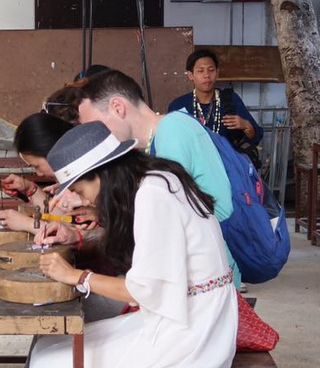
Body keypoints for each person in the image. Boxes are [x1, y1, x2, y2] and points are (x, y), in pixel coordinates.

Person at [22, 121, 238, 368]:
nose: (85, 199)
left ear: (103, 175)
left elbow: (146, 290)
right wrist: (81, 228)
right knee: (49, 352)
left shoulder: (154, 195)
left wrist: (76, 276)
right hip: (190, 313)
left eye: (85, 190)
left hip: (192, 330)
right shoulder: (155, 178)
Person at [70, 68, 241, 287]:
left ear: (118, 107)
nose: (94, 137)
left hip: (206, 279)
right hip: (190, 274)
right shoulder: (153, 142)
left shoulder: (172, 132)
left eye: (95, 126)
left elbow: (168, 219)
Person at [168, 49, 263, 164]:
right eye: (200, 71)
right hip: (191, 169)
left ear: (217, 73)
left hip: (228, 168)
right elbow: (170, 141)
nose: (207, 75)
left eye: (211, 70)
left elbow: (257, 136)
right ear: (190, 75)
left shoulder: (230, 100)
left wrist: (246, 125)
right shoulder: (179, 105)